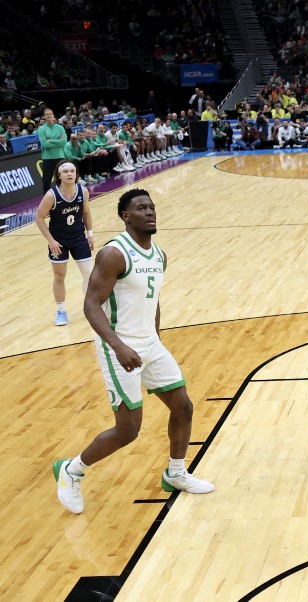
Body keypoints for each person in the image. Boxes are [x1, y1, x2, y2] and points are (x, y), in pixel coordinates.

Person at [52, 189, 214, 514]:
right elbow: (90, 304)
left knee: (182, 406)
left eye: (152, 207)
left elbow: (152, 300)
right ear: (126, 215)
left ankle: (176, 473)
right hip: (118, 346)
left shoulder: (159, 255)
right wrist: (119, 345)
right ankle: (72, 470)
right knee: (128, 431)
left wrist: (156, 337)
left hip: (149, 345)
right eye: (141, 208)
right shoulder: (114, 254)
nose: (149, 212)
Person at [34, 159, 94, 326]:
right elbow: (39, 218)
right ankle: (61, 310)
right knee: (59, 276)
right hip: (58, 241)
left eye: (72, 171)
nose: (69, 174)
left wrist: (90, 234)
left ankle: (91, 307)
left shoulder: (83, 191)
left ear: (76, 174)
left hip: (79, 239)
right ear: (59, 175)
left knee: (89, 274)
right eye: (65, 171)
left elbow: (86, 213)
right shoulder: (51, 195)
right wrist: (51, 241)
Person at [37, 108, 69, 193]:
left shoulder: (60, 127)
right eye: (47, 114)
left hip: (60, 156)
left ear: (53, 115)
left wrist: (51, 140)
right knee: (46, 180)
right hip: (48, 157)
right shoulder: (41, 129)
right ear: (44, 116)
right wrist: (58, 141)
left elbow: (64, 141)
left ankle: (64, 195)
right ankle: (46, 199)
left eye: (50, 114)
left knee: (62, 178)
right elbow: (44, 144)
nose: (49, 115)